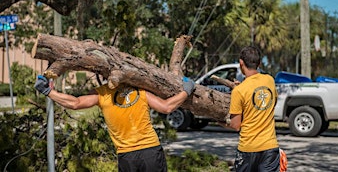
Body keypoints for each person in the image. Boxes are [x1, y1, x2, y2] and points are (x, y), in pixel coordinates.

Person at [34, 75, 195, 172]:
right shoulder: (140, 89)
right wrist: (186, 91)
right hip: (150, 152)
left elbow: (75, 103)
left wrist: (48, 91)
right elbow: (166, 107)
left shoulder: (103, 93)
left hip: (127, 157)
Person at [220, 46, 280, 172]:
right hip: (270, 147)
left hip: (248, 150)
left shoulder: (239, 91)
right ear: (259, 63)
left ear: (241, 63)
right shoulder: (270, 80)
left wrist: (221, 122)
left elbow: (236, 125)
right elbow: (272, 103)